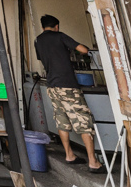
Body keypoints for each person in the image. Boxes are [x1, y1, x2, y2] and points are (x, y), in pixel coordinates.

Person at [35, 14, 105, 174]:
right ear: (56, 26)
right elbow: (83, 50)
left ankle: (69, 154)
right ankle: (93, 162)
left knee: (61, 119)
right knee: (83, 119)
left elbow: (42, 57)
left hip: (52, 86)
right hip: (67, 85)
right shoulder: (59, 36)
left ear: (43, 27)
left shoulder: (38, 40)